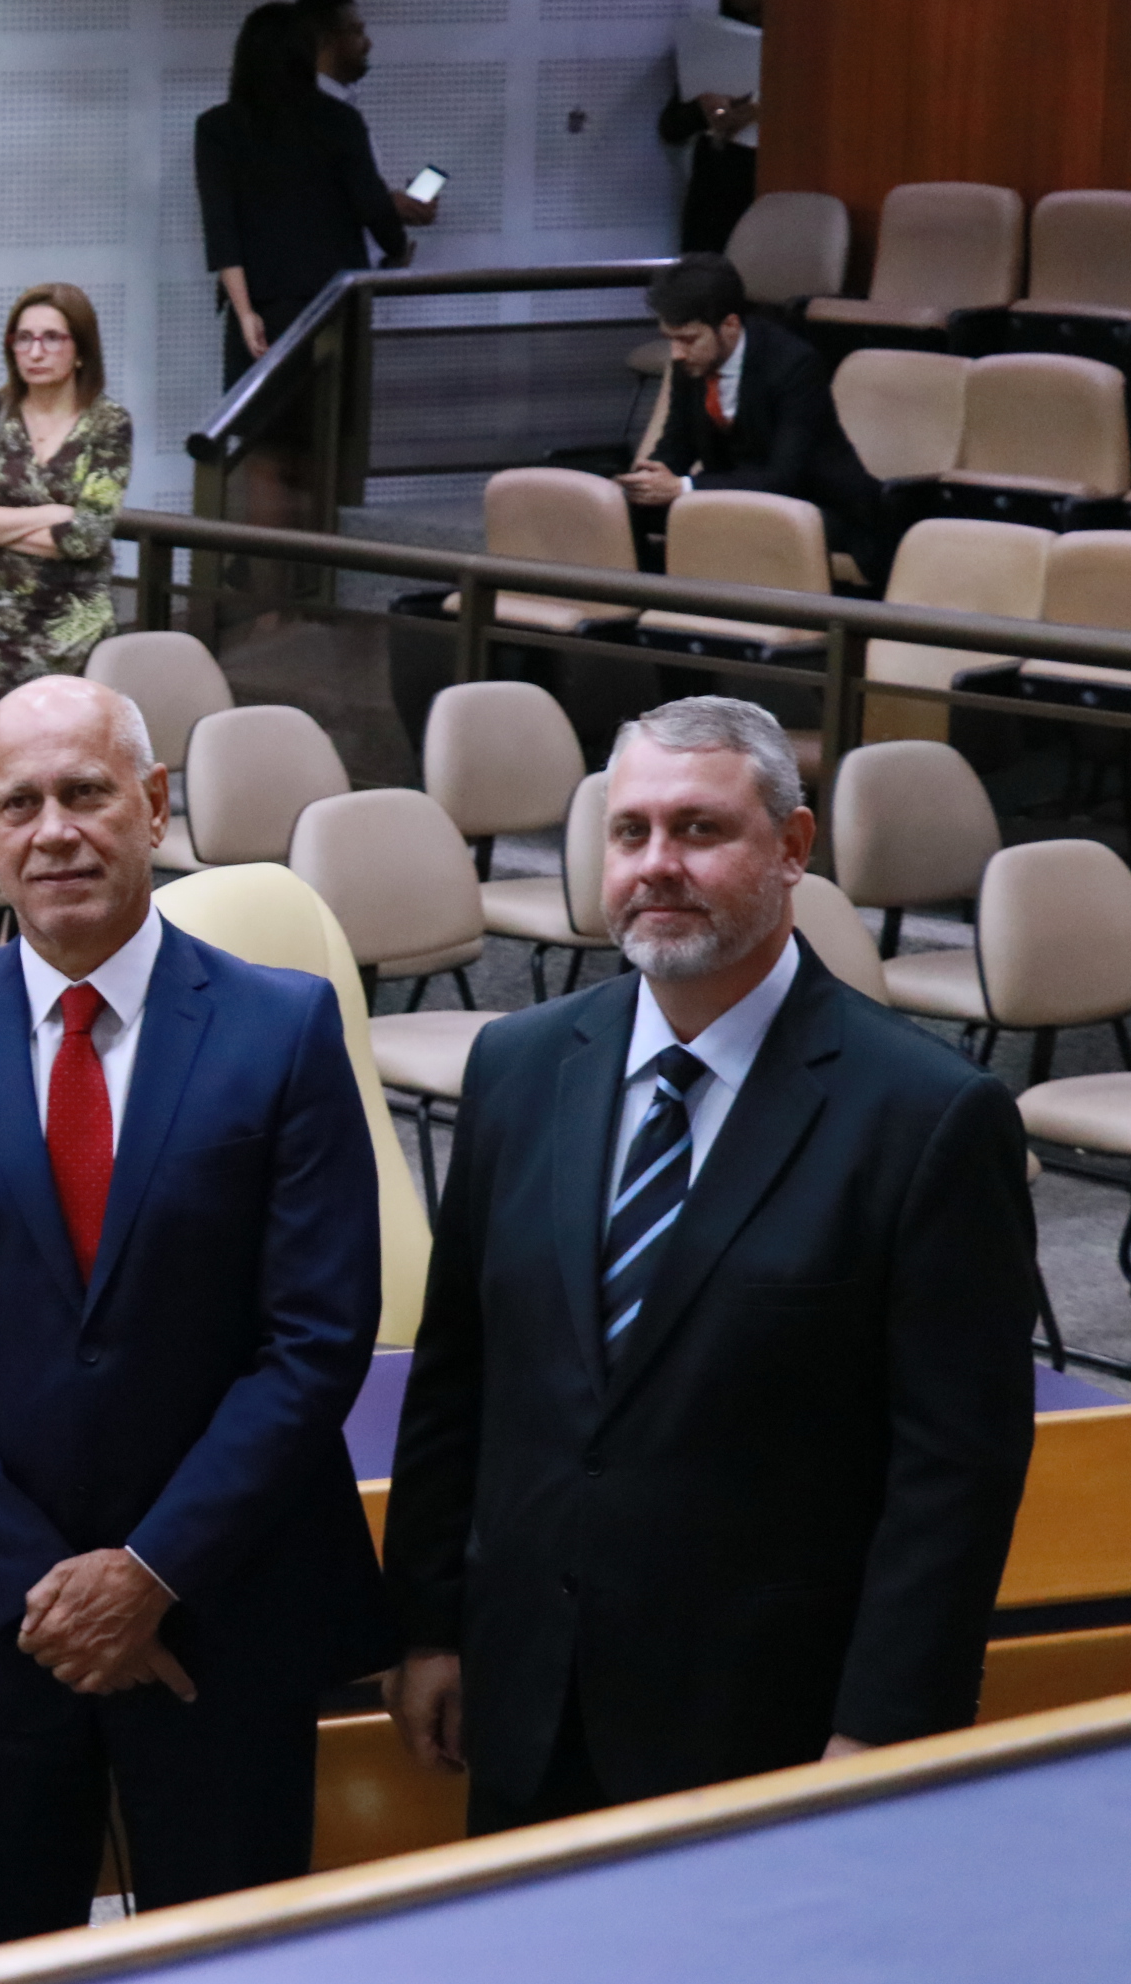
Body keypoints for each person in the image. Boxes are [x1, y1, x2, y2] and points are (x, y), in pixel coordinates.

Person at [381, 697, 1034, 1834]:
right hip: (527, 1704)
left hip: (768, 1732)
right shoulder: (519, 1069)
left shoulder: (926, 1116)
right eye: (629, 831)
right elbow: (460, 1377)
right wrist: (429, 1625)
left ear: (792, 847)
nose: (657, 865)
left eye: (700, 829)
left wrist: (885, 1729)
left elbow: (955, 1471)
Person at [0, 675, 392, 1949]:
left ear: (153, 806)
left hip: (225, 1614)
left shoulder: (282, 1025)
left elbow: (315, 1337)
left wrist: (149, 1573)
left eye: (86, 793)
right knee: (3, 1959)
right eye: (20, 803)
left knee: (231, 1962)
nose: (56, 831)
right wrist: (49, 1589)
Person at [619, 253, 883, 581]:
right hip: (733, 499)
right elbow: (676, 445)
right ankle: (646, 602)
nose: (676, 353)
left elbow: (783, 477)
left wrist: (684, 486)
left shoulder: (795, 365)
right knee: (623, 510)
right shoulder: (691, 363)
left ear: (730, 325)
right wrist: (645, 482)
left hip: (820, 507)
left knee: (720, 519)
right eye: (670, 339)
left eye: (687, 339)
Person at [197, 4, 408, 388]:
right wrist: (396, 249)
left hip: (264, 302)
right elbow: (373, 206)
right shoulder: (340, 120)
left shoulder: (217, 127)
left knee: (261, 414)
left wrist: (245, 314)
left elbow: (221, 231)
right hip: (335, 301)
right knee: (332, 412)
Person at [0, 285, 136, 698]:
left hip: (72, 635)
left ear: (81, 349)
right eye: (24, 338)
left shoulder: (109, 423)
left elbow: (85, 536)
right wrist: (51, 514)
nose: (35, 352)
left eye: (52, 338)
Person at [300, 1, 440, 231]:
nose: (368, 44)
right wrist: (386, 205)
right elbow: (304, 199)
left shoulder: (344, 108)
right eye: (357, 32)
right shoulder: (304, 112)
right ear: (326, 39)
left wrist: (392, 212)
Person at [661, 0, 766, 253]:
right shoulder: (715, 31)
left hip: (773, 186)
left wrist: (759, 110)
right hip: (717, 188)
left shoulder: (806, 34)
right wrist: (707, 108)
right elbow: (671, 127)